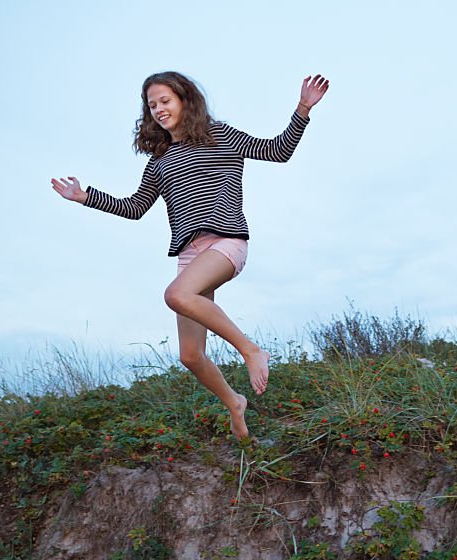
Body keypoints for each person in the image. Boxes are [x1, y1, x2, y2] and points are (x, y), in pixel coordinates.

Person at [51, 71, 329, 440]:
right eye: (152, 105)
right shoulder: (159, 161)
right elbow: (135, 207)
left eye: (165, 100)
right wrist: (86, 197)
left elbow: (278, 151)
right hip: (189, 254)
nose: (158, 110)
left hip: (226, 241)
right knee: (191, 356)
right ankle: (235, 403)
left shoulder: (222, 135)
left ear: (185, 99)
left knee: (177, 295)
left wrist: (303, 108)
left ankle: (251, 350)